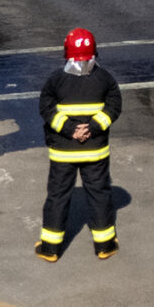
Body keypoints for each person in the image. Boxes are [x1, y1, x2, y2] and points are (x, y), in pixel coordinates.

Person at [36, 28, 122, 261]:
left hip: (63, 152)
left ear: (67, 54)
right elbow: (113, 108)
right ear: (94, 52)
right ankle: (104, 245)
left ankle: (50, 248)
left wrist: (69, 129)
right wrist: (91, 128)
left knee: (57, 196)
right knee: (99, 194)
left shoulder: (56, 80)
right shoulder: (106, 79)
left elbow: (46, 108)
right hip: (95, 151)